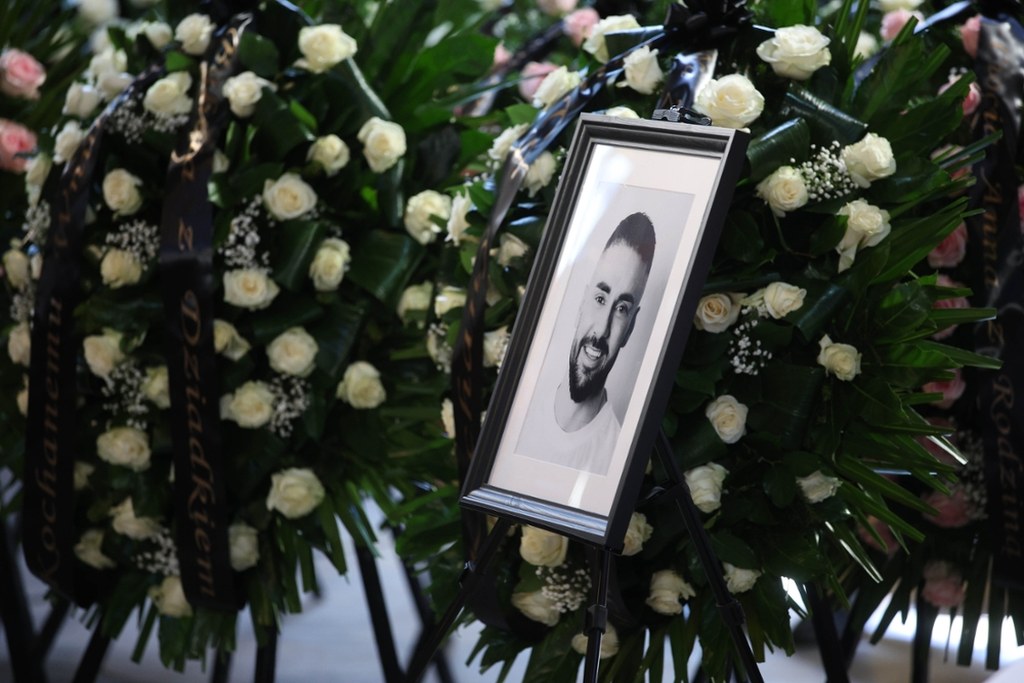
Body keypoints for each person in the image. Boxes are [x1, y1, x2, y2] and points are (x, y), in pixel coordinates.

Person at [519, 211, 657, 475]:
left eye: (621, 309)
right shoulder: (517, 410)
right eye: (600, 299)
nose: (602, 330)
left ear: (630, 328)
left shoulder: (615, 459)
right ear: (582, 303)